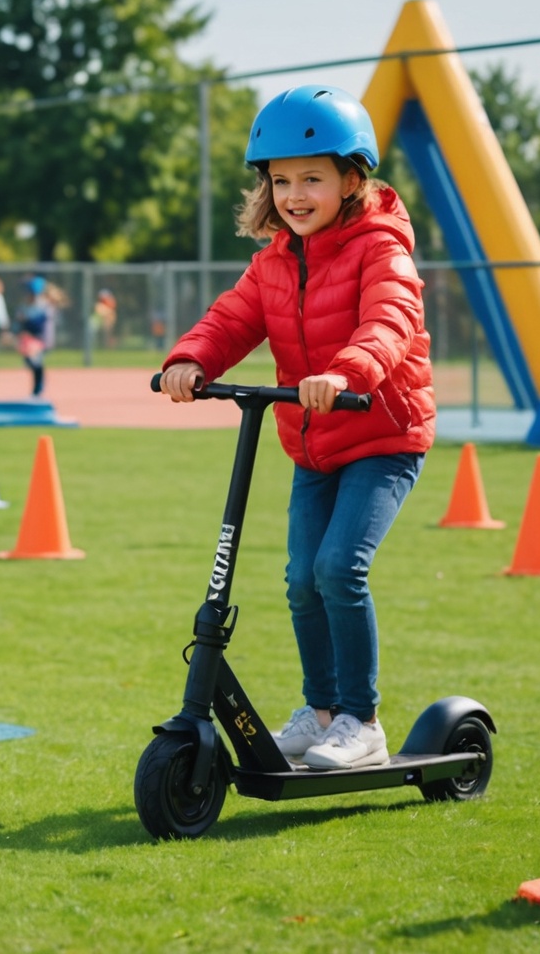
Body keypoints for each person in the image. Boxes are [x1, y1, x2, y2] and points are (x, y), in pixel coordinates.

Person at [157, 84, 435, 772]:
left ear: (352, 177)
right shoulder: (276, 261)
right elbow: (232, 319)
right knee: (300, 579)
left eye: (312, 178)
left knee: (341, 567)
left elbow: (390, 321)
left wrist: (346, 373)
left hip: (382, 433)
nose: (295, 195)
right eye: (280, 181)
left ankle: (360, 721)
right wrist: (191, 360)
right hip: (313, 443)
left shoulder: (381, 249)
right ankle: (318, 715)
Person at [17, 277, 59, 397]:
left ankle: (38, 388)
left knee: (35, 361)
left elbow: (39, 323)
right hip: (30, 339)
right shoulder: (27, 304)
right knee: (30, 362)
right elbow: (21, 320)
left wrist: (26, 320)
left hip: (41, 339)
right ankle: (37, 387)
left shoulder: (43, 305)